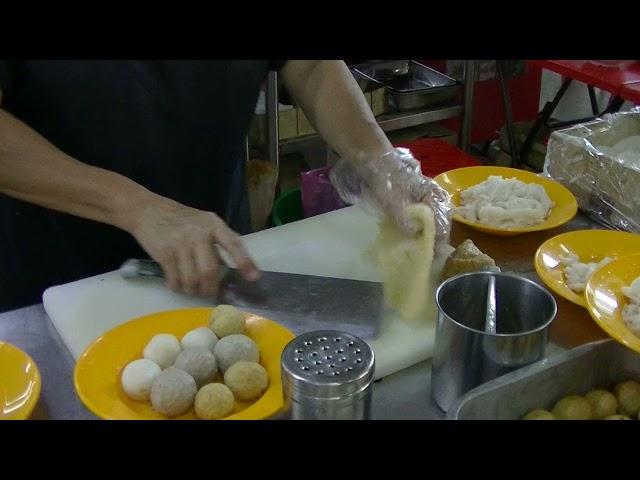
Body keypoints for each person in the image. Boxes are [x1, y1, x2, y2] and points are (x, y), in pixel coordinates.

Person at [0, 60, 450, 312]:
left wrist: (382, 162)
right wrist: (134, 205)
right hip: (59, 273)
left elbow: (310, 67)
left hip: (217, 257)